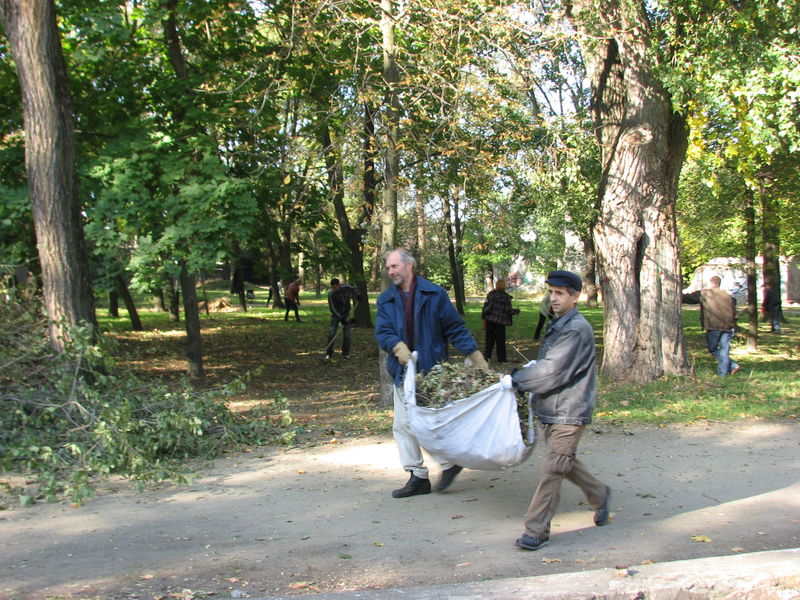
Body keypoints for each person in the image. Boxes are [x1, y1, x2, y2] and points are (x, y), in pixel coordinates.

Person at [375, 248, 489, 498]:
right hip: (402, 371)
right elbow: (382, 331)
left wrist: (473, 352)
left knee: (428, 423)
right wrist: (395, 344)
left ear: (409, 265)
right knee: (403, 425)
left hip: (431, 370)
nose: (391, 271)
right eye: (388, 267)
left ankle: (445, 465)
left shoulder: (434, 293)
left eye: (395, 266)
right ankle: (419, 475)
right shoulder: (386, 300)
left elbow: (454, 327)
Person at [509, 270, 610, 551]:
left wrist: (517, 380)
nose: (553, 298)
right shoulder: (560, 323)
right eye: (551, 292)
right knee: (563, 462)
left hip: (570, 409)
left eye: (560, 293)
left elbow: (552, 371)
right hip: (553, 406)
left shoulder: (576, 329)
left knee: (553, 468)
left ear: (575, 297)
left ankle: (536, 530)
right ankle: (600, 494)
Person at [682, 275, 739, 376]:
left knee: (713, 349)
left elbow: (688, 298)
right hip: (728, 326)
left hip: (714, 325)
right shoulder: (727, 296)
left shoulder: (705, 293)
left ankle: (732, 366)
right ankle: (723, 373)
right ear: (719, 283)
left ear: (711, 283)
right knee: (724, 350)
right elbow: (734, 307)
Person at [481, 278, 520, 363]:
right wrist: (516, 311)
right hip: (500, 322)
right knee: (500, 340)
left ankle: (487, 356)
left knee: (489, 339)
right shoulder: (506, 296)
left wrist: (483, 318)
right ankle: (501, 358)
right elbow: (508, 310)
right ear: (504, 286)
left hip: (490, 320)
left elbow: (485, 306)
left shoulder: (491, 294)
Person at [324, 278, 354, 360]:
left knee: (347, 335)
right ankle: (328, 353)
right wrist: (341, 318)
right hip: (336, 316)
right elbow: (332, 308)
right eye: (332, 287)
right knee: (332, 334)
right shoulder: (331, 294)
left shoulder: (346, 288)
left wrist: (358, 294)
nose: (334, 289)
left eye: (335, 287)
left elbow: (355, 289)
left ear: (338, 285)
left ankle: (345, 354)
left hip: (346, 314)